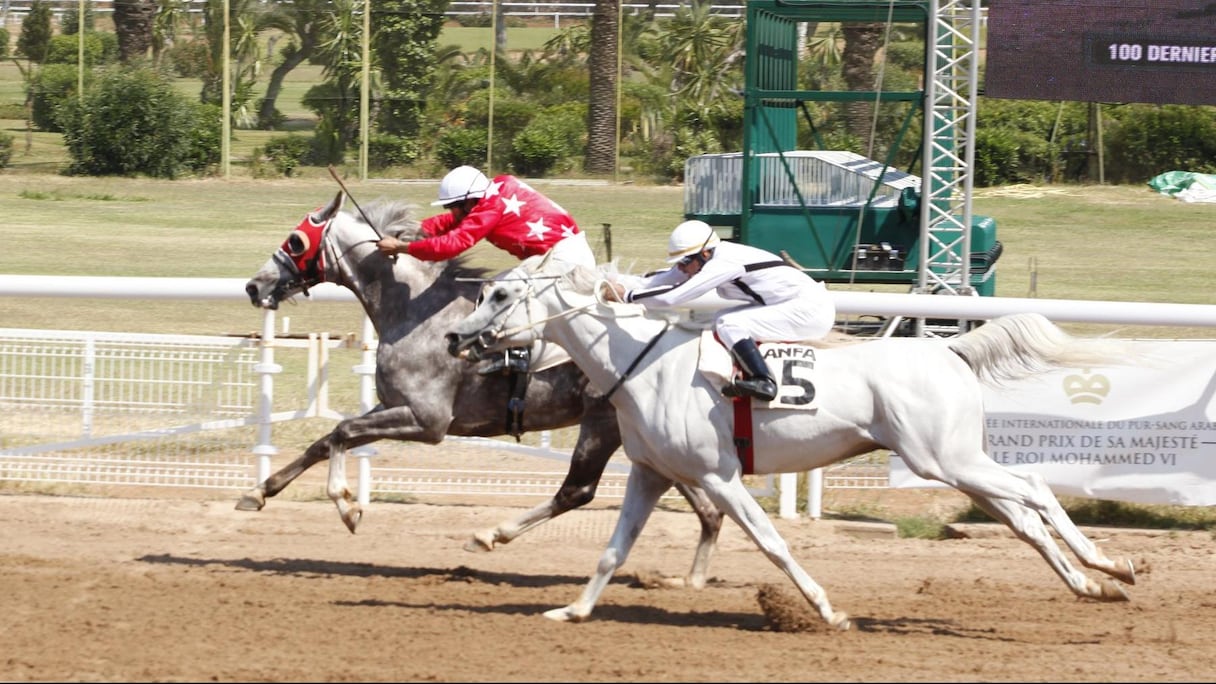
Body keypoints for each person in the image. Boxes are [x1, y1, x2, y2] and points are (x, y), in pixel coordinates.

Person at [378, 165, 596, 375]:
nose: (451, 211)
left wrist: (402, 247)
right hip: (556, 253)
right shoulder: (494, 191)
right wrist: (418, 229)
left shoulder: (491, 208)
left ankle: (517, 357)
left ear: (470, 201)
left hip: (564, 260)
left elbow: (452, 244)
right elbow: (454, 222)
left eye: (454, 205)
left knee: (499, 291)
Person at [609, 219, 835, 401]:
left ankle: (764, 381)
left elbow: (673, 297)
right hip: (795, 305)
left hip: (810, 310)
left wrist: (626, 297)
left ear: (704, 254)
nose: (681, 268)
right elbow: (665, 278)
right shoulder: (707, 258)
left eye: (684, 262)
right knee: (721, 318)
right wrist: (620, 282)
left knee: (730, 324)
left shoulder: (723, 262)